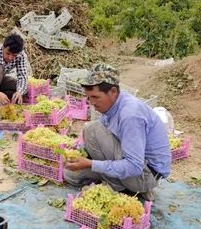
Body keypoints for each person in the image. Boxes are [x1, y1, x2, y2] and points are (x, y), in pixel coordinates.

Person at [63, 63, 171, 201]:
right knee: (70, 175)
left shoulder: (130, 115)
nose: (91, 102)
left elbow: (134, 166)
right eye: (88, 97)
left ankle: (125, 189)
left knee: (91, 129)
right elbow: (106, 133)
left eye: (95, 97)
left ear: (113, 91)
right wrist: (80, 149)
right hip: (129, 163)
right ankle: (119, 184)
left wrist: (90, 164)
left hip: (145, 175)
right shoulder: (112, 105)